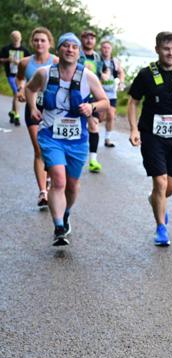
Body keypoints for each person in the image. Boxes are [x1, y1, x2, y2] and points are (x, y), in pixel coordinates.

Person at [24, 33, 108, 246]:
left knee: (72, 185)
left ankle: (66, 212)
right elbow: (29, 89)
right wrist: (32, 108)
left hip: (77, 139)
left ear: (79, 53)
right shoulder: (44, 73)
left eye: (74, 47)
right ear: (58, 50)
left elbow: (105, 102)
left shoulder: (88, 76)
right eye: (66, 46)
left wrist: (91, 107)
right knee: (59, 180)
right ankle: (59, 227)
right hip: (50, 135)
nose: (70, 50)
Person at [127, 31, 172, 246]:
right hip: (151, 135)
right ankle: (161, 228)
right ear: (157, 49)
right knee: (160, 181)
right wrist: (133, 129)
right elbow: (133, 102)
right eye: (166, 49)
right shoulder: (146, 74)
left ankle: (155, 200)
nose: (171, 53)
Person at [16, 26, 57, 209]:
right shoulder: (25, 63)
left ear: (49, 43)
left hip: (52, 110)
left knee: (51, 148)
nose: (39, 43)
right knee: (39, 150)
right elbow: (20, 79)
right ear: (32, 42)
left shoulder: (56, 61)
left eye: (43, 40)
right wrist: (21, 89)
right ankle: (43, 192)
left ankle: (50, 178)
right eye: (36, 40)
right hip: (33, 108)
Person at [79, 29, 103, 172]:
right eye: (86, 37)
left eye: (92, 38)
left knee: (94, 125)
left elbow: (100, 77)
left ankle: (93, 160)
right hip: (76, 95)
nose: (89, 40)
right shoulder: (77, 54)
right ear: (82, 39)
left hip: (92, 97)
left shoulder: (97, 58)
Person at [0, 31, 31, 126]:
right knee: (17, 93)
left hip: (21, 76)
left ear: (20, 38)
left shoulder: (25, 50)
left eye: (17, 37)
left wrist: (21, 63)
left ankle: (13, 112)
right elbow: (1, 59)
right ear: (11, 38)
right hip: (11, 75)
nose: (16, 39)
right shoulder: (6, 49)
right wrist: (7, 59)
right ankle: (17, 116)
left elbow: (30, 62)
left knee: (16, 94)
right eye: (14, 37)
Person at [98, 39, 125, 147]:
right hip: (99, 93)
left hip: (111, 93)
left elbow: (121, 72)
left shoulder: (115, 61)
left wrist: (121, 82)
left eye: (108, 48)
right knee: (100, 117)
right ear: (101, 49)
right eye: (104, 48)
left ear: (111, 49)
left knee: (111, 115)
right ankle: (91, 130)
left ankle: (107, 139)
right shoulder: (97, 60)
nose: (106, 50)